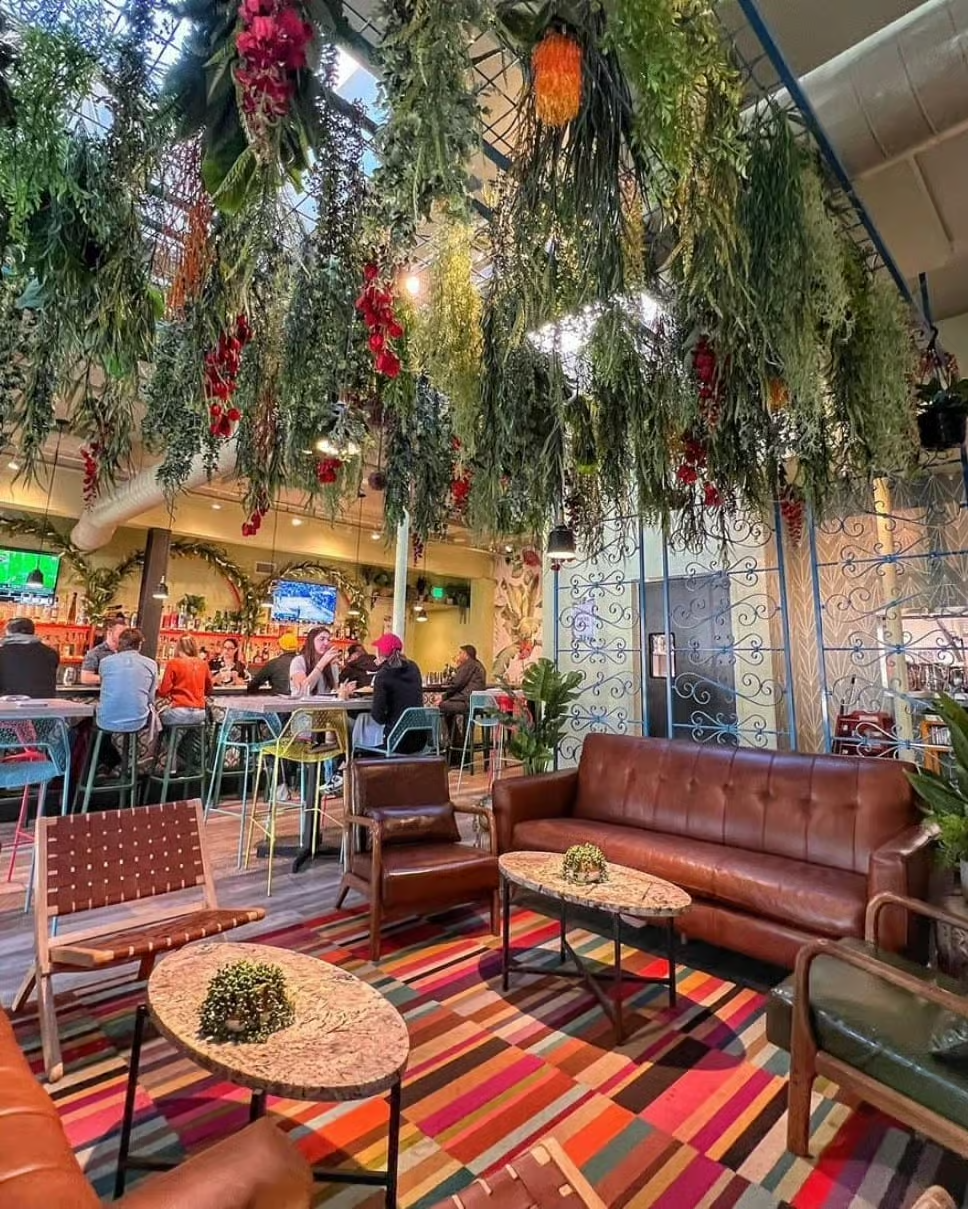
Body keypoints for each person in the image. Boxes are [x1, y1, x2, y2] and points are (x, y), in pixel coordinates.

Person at [357, 632, 427, 754]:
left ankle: (345, 767)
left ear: (380, 653)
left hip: (396, 742)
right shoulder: (414, 667)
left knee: (357, 727)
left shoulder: (383, 675)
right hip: (420, 739)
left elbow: (378, 716)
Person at [96, 629, 158, 766]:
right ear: (139, 645)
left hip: (106, 720)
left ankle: (103, 767)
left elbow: (104, 686)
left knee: (92, 727)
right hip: (138, 721)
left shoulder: (105, 662)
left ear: (120, 643)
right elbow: (151, 699)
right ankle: (137, 764)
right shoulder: (151, 664)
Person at [439, 643, 487, 750]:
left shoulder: (469, 665)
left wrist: (444, 697)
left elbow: (456, 684)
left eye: (460, 653)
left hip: (468, 703)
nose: (458, 655)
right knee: (448, 708)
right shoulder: (478, 665)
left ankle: (455, 744)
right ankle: (457, 742)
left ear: (466, 655)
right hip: (476, 703)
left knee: (442, 706)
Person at [158, 635, 212, 727]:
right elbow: (209, 689)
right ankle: (183, 740)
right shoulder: (203, 664)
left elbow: (164, 691)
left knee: (157, 718)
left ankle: (169, 741)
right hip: (200, 714)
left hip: (178, 712)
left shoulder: (173, 663)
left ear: (178, 647)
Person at [0, 617, 58, 697]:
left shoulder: (2, 652)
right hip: (44, 705)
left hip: (9, 705)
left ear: (9, 633)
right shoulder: (51, 653)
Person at [289, 626, 340, 697]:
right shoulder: (299, 661)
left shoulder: (332, 664)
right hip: (302, 706)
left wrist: (344, 691)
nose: (326, 643)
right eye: (322, 639)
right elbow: (302, 691)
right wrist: (322, 663)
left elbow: (335, 691)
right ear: (311, 641)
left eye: (328, 640)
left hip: (324, 706)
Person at [79, 616, 127, 685]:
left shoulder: (127, 652)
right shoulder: (95, 653)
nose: (125, 637)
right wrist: (112, 678)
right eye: (121, 634)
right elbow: (86, 678)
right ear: (110, 632)